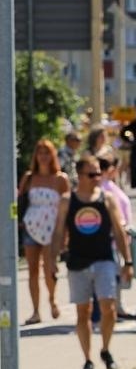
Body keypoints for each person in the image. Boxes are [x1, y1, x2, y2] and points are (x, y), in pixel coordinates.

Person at [55, 156, 135, 369]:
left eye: (99, 173)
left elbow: (119, 232)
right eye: (92, 174)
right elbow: (59, 233)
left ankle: (106, 350)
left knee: (108, 308)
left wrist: (127, 261)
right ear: (79, 176)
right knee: (84, 313)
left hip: (104, 260)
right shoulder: (67, 200)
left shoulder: (107, 198)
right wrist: (52, 261)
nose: (97, 178)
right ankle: (88, 360)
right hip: (77, 263)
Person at [20, 137, 70, 324]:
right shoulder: (29, 178)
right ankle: (35, 311)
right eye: (40, 153)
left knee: (49, 268)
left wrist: (65, 234)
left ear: (52, 155)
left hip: (52, 230)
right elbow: (21, 200)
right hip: (31, 227)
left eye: (47, 153)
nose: (43, 157)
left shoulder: (60, 179)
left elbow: (67, 208)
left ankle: (52, 299)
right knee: (32, 270)